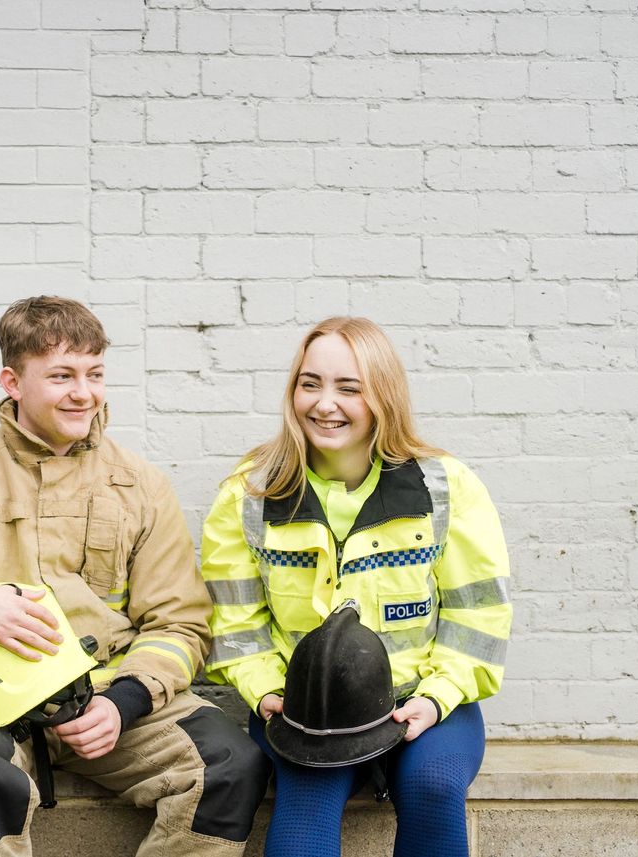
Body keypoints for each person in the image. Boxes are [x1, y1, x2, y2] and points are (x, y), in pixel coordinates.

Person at [0, 296, 268, 857]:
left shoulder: (140, 484)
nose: (83, 393)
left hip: (110, 699)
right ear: (13, 382)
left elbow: (181, 626)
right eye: (61, 375)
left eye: (94, 374)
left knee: (232, 764)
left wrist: (126, 701)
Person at [201, 316, 512, 857]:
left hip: (425, 700)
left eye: (350, 387)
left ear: (383, 396)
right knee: (302, 826)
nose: (325, 404)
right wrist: (267, 693)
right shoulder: (249, 494)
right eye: (310, 383)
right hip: (305, 715)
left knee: (434, 787)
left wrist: (438, 699)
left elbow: (478, 616)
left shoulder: (444, 487)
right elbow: (235, 624)